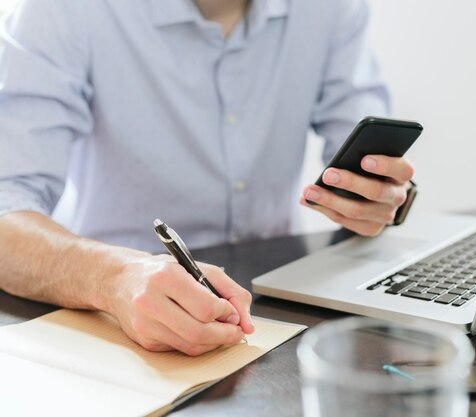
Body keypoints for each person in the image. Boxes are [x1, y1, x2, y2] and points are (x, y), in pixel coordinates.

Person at [0, 0, 415, 356]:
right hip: (119, 314)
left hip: (280, 304)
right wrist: (115, 278)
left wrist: (383, 195)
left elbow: (366, 158)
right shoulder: (60, 11)